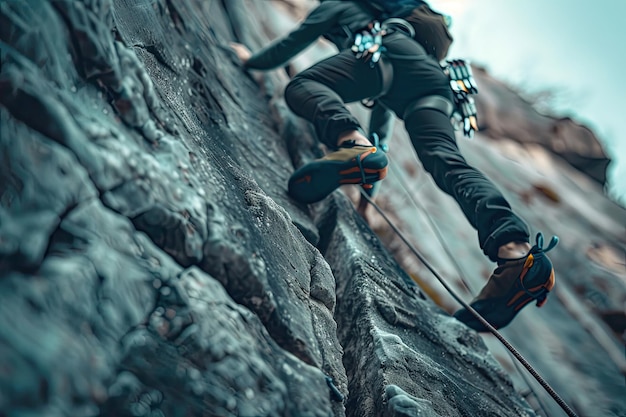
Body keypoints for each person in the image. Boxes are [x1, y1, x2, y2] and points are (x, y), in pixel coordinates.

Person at [230, 0, 558, 332]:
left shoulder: (338, 5)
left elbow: (296, 41)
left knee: (303, 87)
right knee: (448, 163)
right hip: (434, 84)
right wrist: (366, 193)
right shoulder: (396, 24)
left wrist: (251, 60)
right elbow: (382, 119)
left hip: (387, 56)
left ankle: (351, 143)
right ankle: (517, 252)